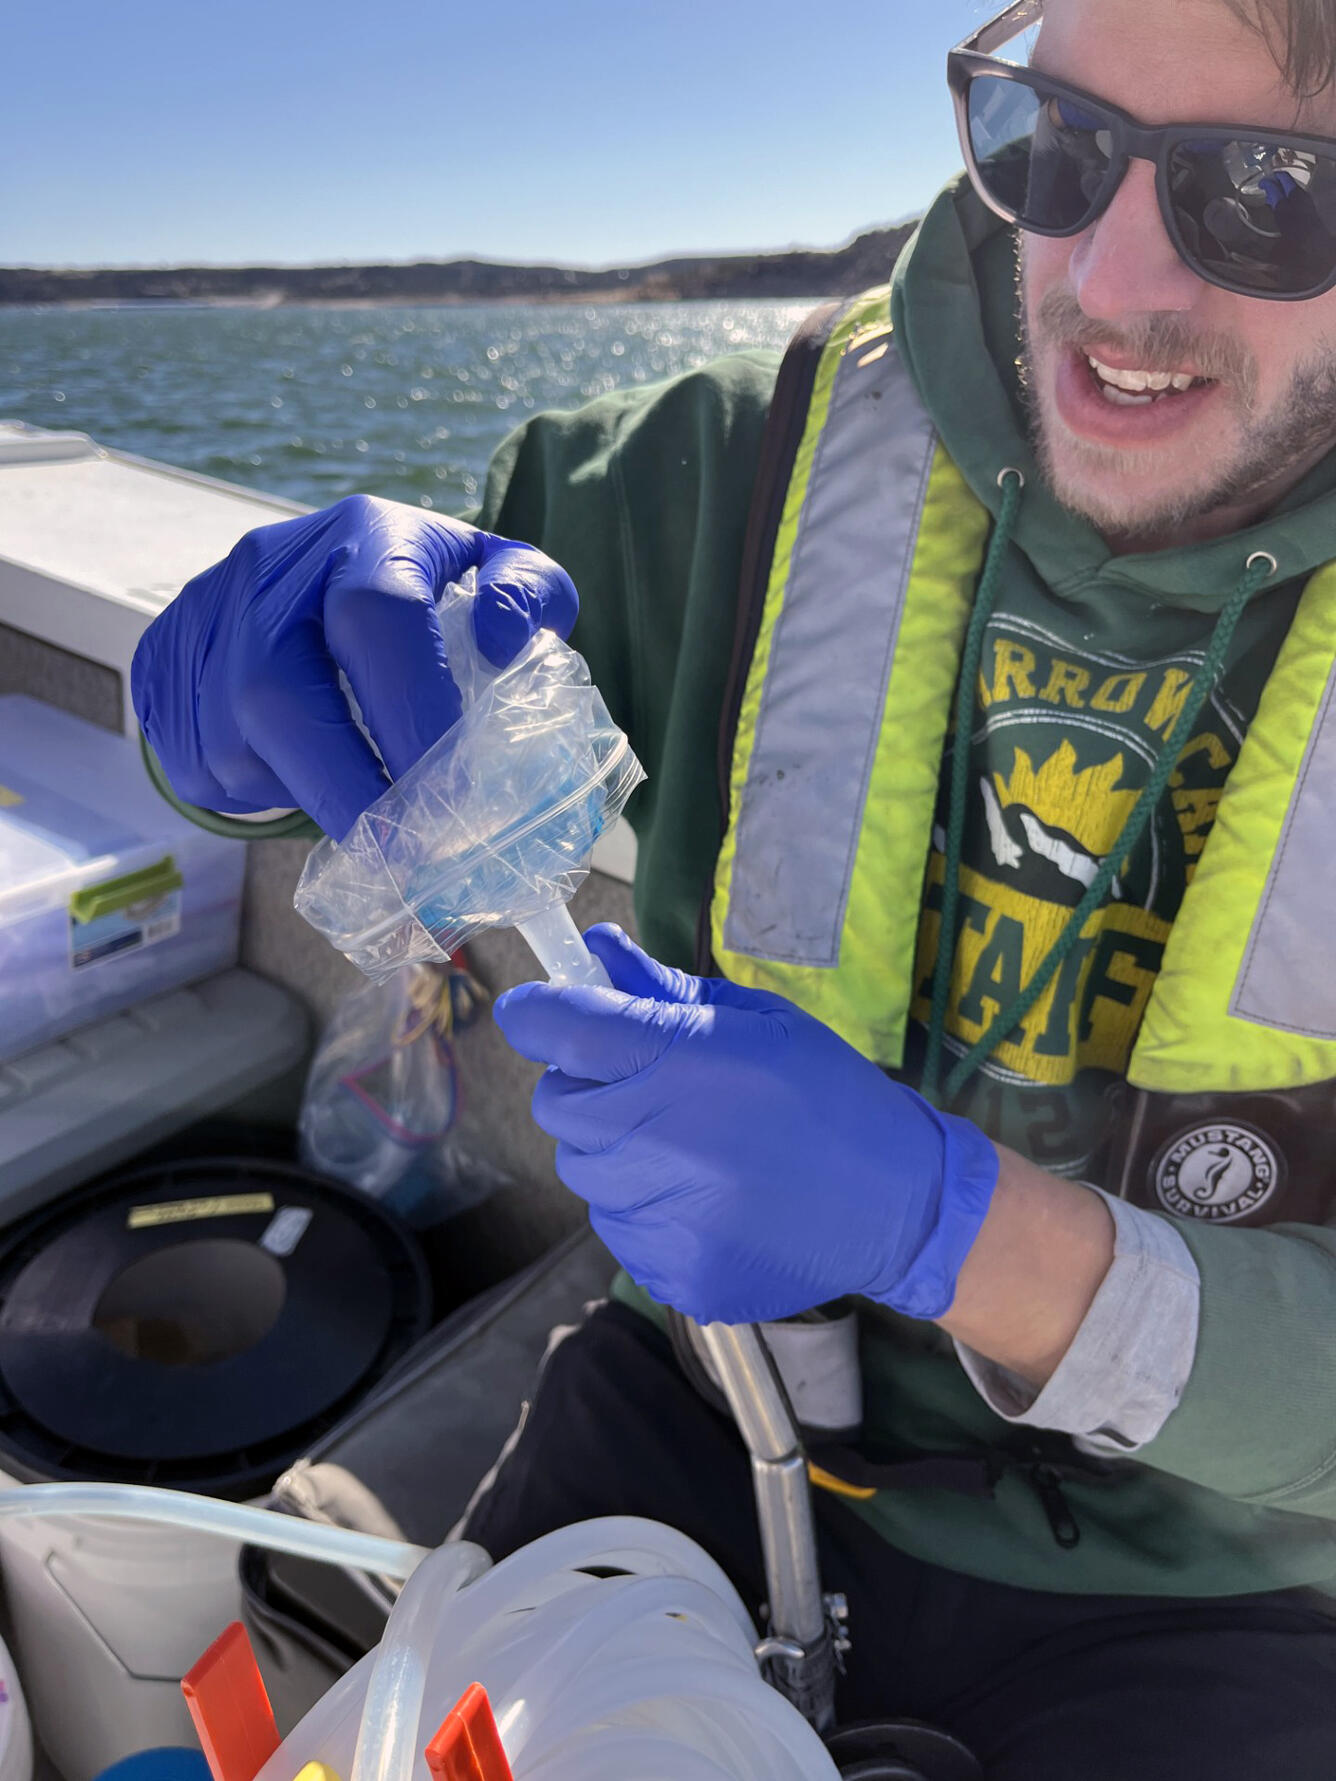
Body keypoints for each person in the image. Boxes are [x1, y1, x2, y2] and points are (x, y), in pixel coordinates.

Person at [132, 0, 1336, 1772]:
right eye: (1053, 146)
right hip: (700, 1402)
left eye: (1270, 194)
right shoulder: (719, 468)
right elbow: (330, 713)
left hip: (1233, 1568)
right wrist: (227, 712)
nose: (1111, 281)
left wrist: (955, 1226)